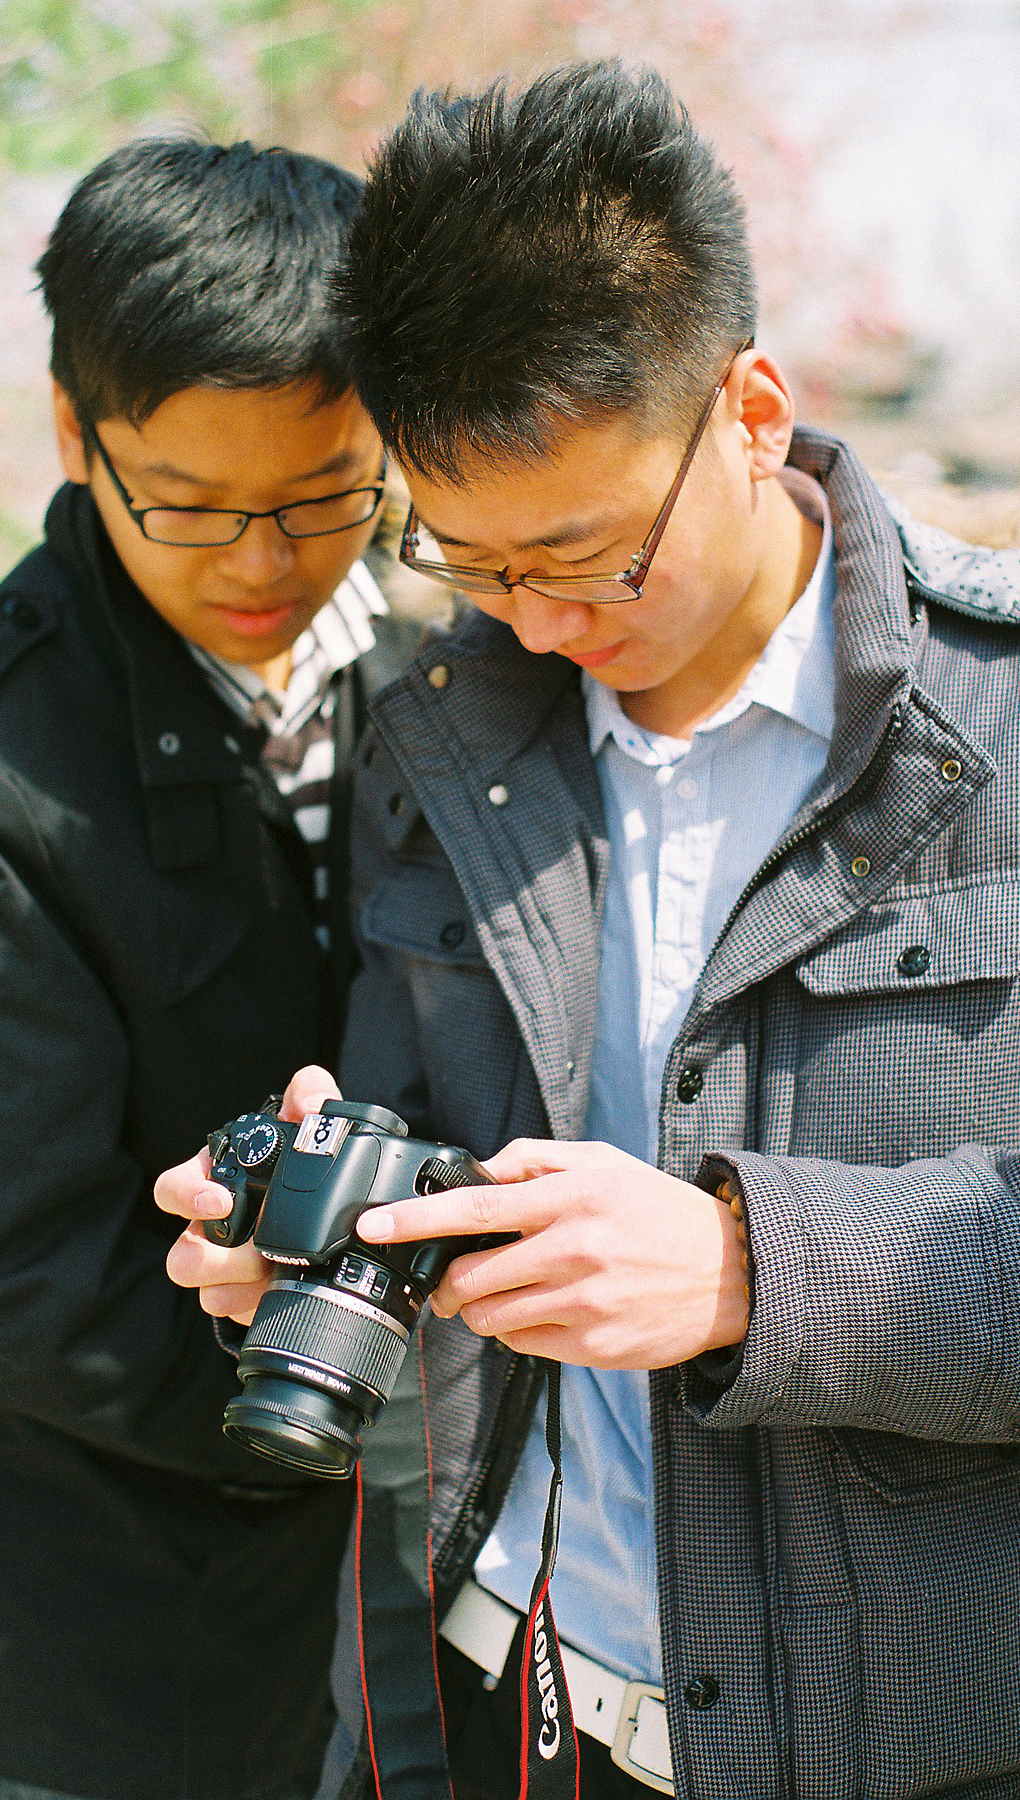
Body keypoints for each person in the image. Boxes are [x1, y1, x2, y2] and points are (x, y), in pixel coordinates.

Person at [155, 61, 1020, 1800]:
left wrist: (753, 1273)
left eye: (592, 556)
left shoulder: (990, 726)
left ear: (751, 409)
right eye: (471, 564)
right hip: (512, 1691)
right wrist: (317, 1243)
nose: (539, 626)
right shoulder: (441, 729)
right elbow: (431, 1144)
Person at [0, 135, 423, 1800]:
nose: (259, 565)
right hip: (64, 1640)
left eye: (321, 495)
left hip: (370, 1615)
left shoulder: (448, 654)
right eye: (188, 507)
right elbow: (14, 1276)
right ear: (72, 435)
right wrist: (383, 1399)